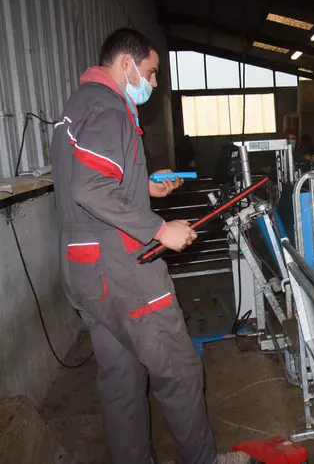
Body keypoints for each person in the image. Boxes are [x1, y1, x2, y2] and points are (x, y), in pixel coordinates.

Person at [50, 28, 216, 464]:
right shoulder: (108, 108)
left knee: (121, 378)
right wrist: (160, 229)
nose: (154, 83)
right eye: (151, 72)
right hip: (123, 270)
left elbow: (86, 181)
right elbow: (91, 188)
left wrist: (144, 186)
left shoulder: (77, 106)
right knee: (179, 372)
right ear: (126, 64)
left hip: (84, 269)